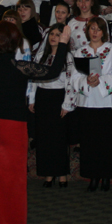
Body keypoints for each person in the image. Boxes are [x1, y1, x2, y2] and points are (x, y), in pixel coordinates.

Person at [0, 22, 72, 224]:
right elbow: (53, 72)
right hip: (12, 125)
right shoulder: (20, 66)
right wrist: (63, 44)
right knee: (12, 179)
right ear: (16, 43)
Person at [65, 18, 112, 192]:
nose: (95, 32)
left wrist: (101, 81)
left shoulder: (111, 49)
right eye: (92, 28)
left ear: (103, 32)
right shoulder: (80, 51)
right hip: (87, 102)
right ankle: (92, 176)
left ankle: (106, 176)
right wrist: (86, 81)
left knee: (106, 141)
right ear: (87, 31)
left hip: (106, 101)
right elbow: (74, 77)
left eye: (98, 29)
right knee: (89, 141)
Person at [29, 24, 74, 188]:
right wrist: (32, 99)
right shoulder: (41, 55)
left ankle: (62, 174)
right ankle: (48, 174)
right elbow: (34, 79)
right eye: (52, 34)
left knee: (59, 137)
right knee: (44, 138)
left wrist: (67, 104)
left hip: (58, 97)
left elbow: (70, 81)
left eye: (58, 34)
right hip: (42, 97)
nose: (54, 37)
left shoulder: (67, 56)